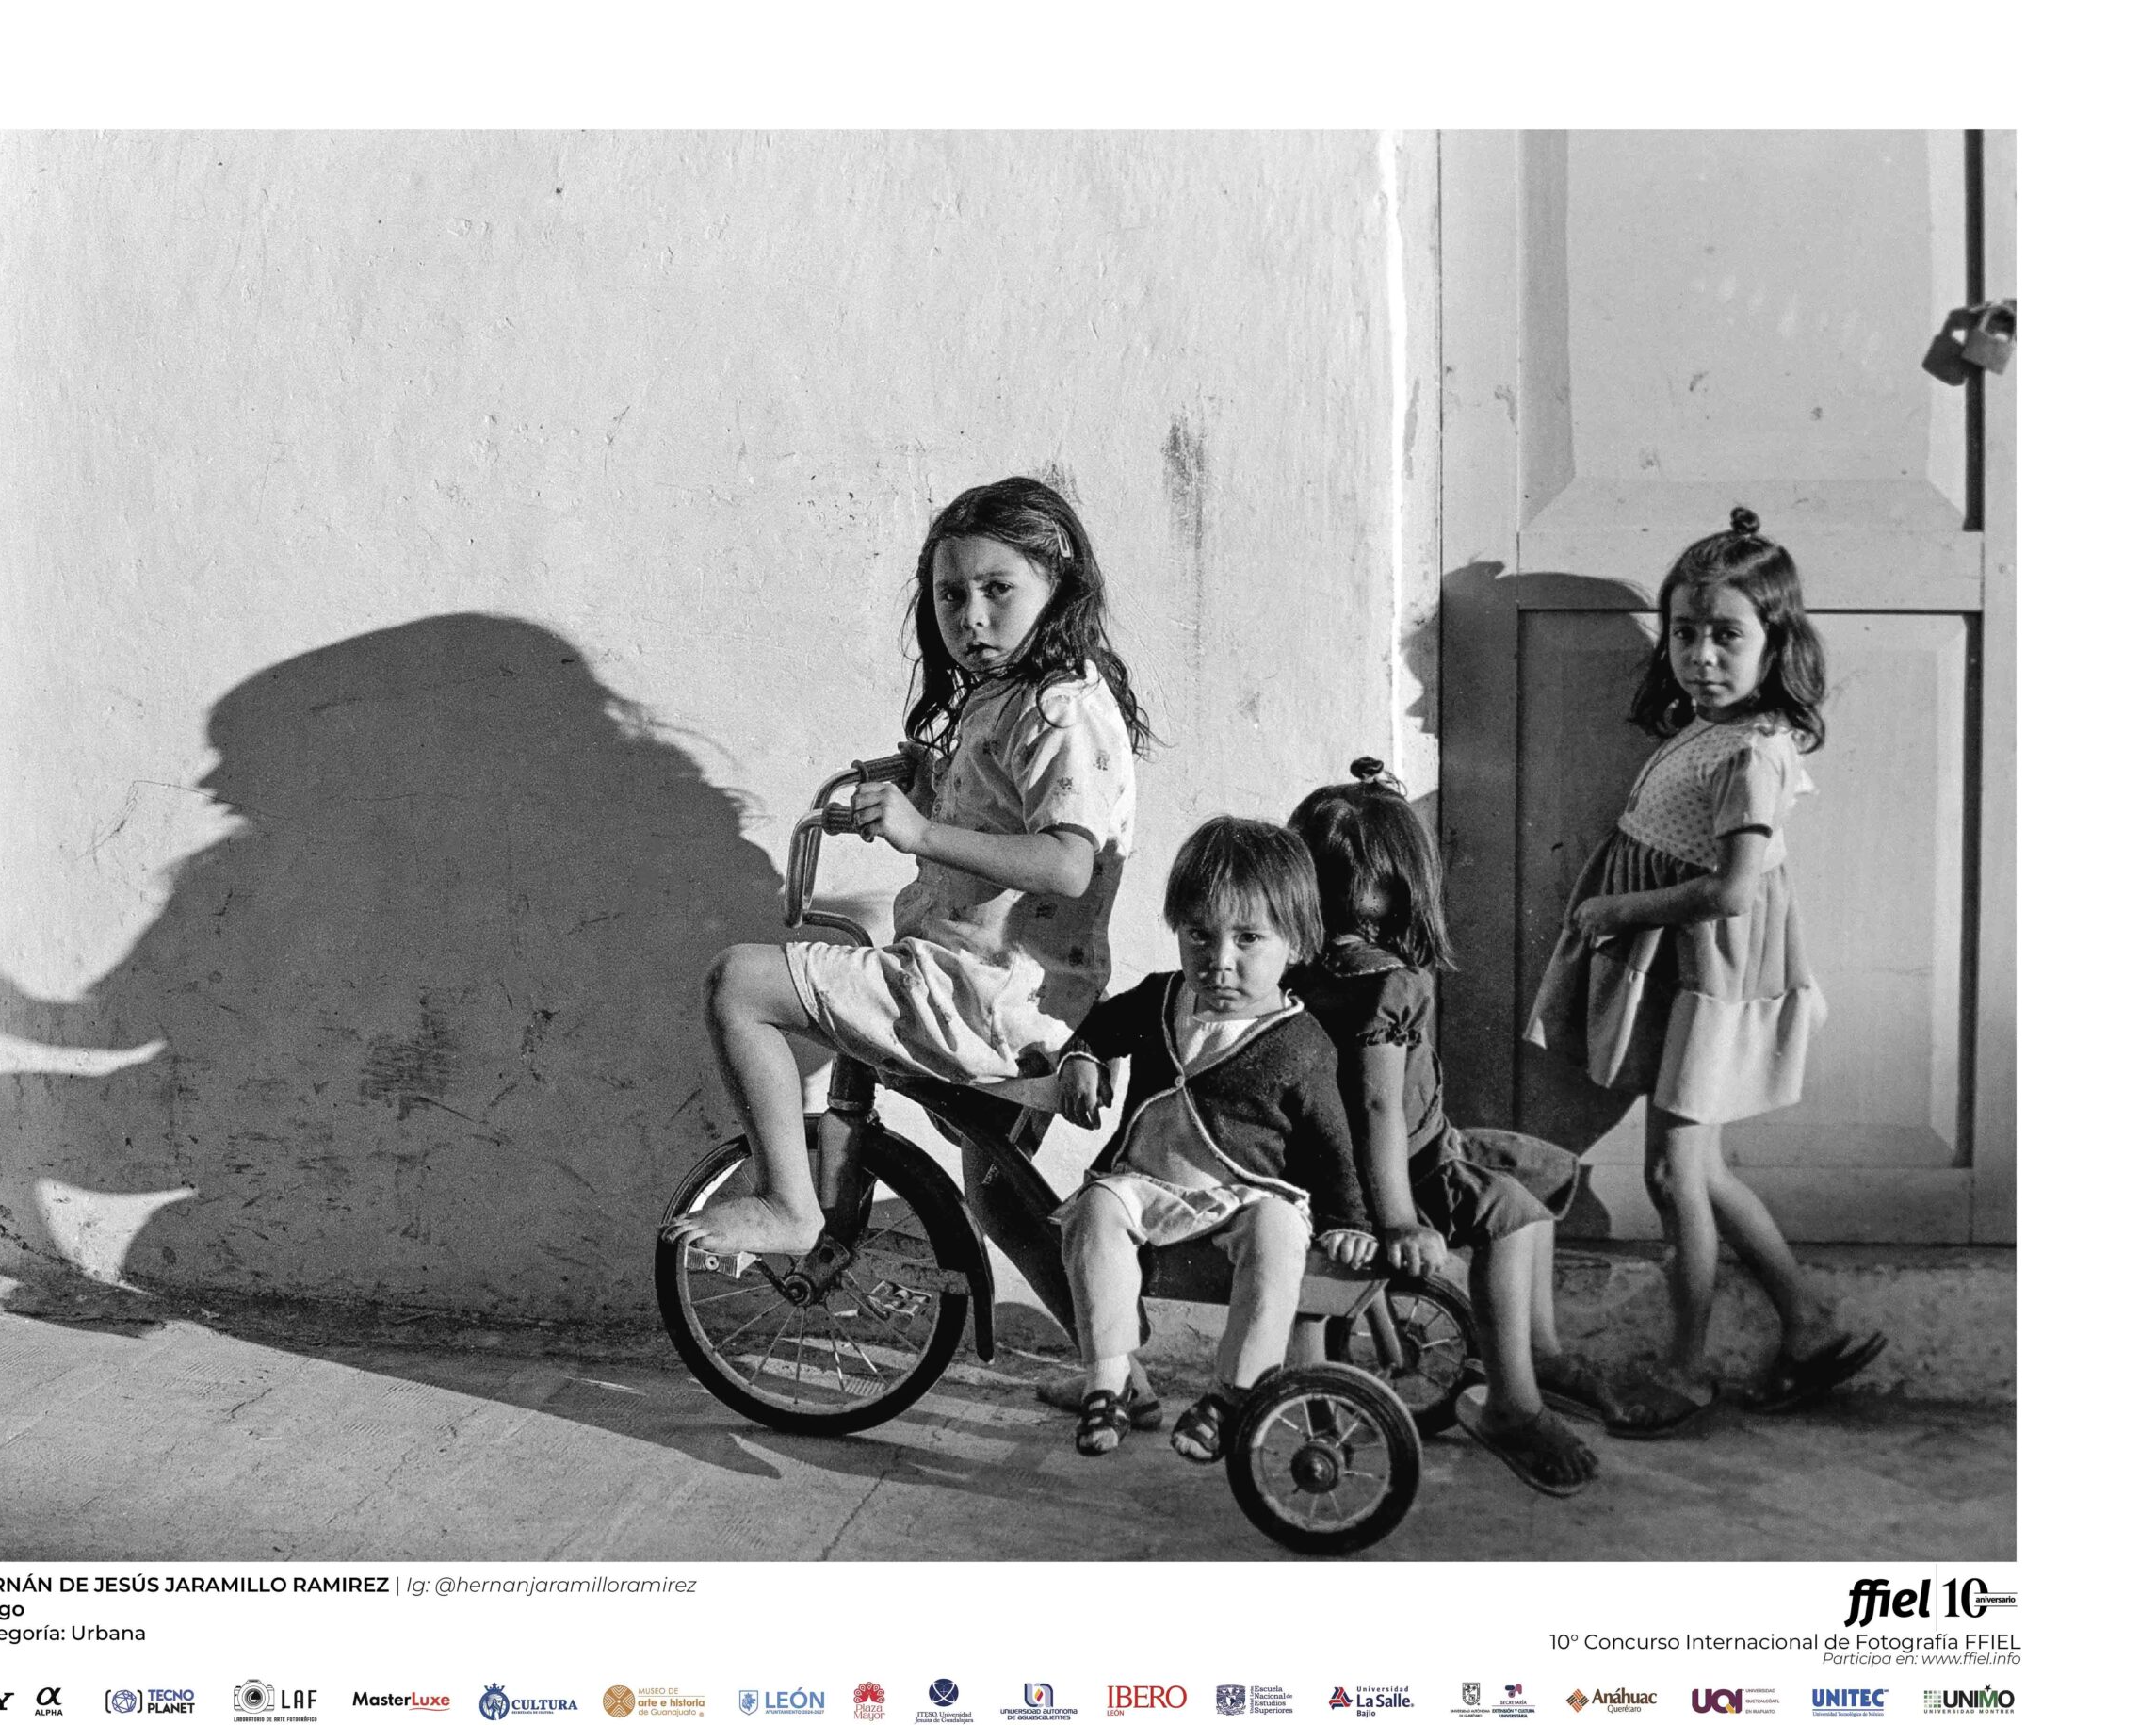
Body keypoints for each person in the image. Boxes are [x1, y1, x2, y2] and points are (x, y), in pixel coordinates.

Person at [679, 477, 1147, 1312]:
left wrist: (921, 833)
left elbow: (1066, 864)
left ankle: (790, 1203)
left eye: (998, 590)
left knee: (738, 983)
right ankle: (1116, 1362)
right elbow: (1006, 826)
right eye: (950, 595)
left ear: (1060, 584)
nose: (972, 618)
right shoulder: (1014, 695)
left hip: (981, 994)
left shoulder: (1060, 710)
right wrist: (931, 790)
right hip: (1016, 989)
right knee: (1000, 1199)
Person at [1524, 507, 1883, 1432]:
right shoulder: (1708, 729)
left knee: (1671, 1172)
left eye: (1727, 636)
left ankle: (1685, 1368)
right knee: (1700, 1167)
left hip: (1709, 975)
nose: (1701, 656)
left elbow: (1730, 890)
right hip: (1683, 968)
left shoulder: (1753, 752)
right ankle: (1807, 1324)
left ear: (1776, 644)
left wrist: (1617, 911)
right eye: (1684, 634)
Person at [1289, 760, 1602, 1494]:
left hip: (1417, 1143)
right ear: (1403, 885)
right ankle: (1513, 1405)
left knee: (1540, 1169)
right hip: (1400, 1168)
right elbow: (1377, 1109)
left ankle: (1535, 1352)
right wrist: (1398, 1218)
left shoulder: (1306, 968)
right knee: (1515, 1213)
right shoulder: (1385, 982)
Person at [1053, 818, 1368, 1461]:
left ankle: (1232, 1393)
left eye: (1248, 938)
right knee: (1095, 1210)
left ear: (1296, 941)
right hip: (1146, 1185)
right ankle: (1108, 1380)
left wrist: (1347, 1220)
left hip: (1243, 1195)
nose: (1219, 961)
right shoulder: (1162, 998)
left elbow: (1330, 1144)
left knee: (1280, 1231)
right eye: (1199, 934)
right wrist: (1082, 1056)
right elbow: (1103, 1026)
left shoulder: (1300, 1044)